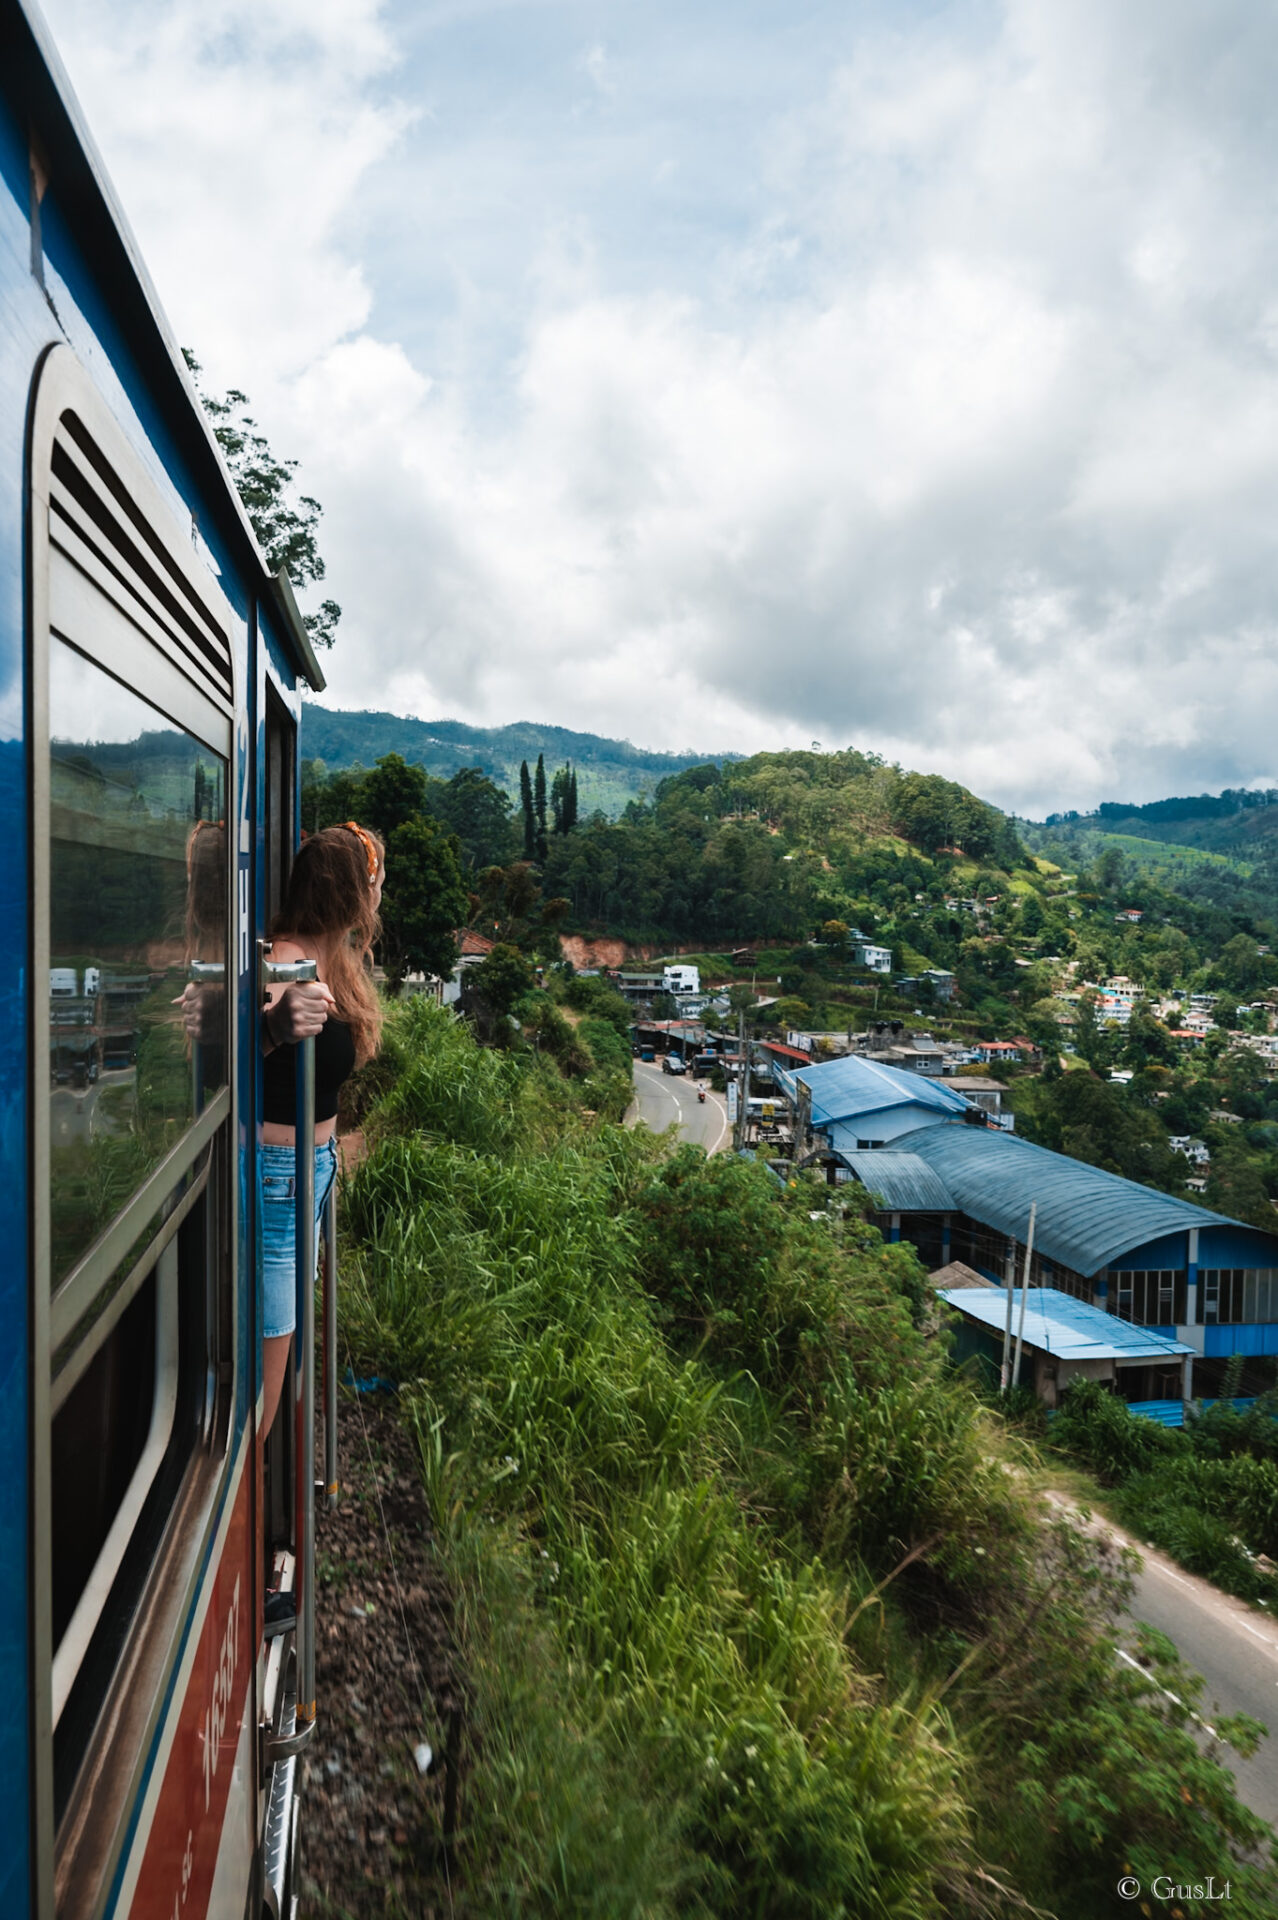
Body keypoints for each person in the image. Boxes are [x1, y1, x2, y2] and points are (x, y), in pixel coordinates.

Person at [259, 822, 385, 1443]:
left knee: (278, 1343)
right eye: (372, 884)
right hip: (277, 1181)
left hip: (302, 1177)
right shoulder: (280, 967)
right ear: (347, 894)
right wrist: (273, 1027)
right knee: (263, 1385)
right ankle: (239, 1499)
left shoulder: (322, 958)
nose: (377, 895)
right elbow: (219, 1053)